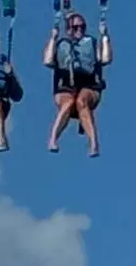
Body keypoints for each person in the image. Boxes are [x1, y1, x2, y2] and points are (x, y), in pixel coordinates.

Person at [44, 9, 111, 156]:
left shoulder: (92, 42)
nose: (79, 30)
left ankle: (93, 144)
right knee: (68, 102)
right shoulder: (61, 44)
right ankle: (53, 139)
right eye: (75, 28)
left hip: (89, 84)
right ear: (68, 30)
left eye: (82, 27)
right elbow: (48, 61)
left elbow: (106, 60)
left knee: (81, 101)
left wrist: (104, 37)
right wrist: (53, 38)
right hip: (66, 84)